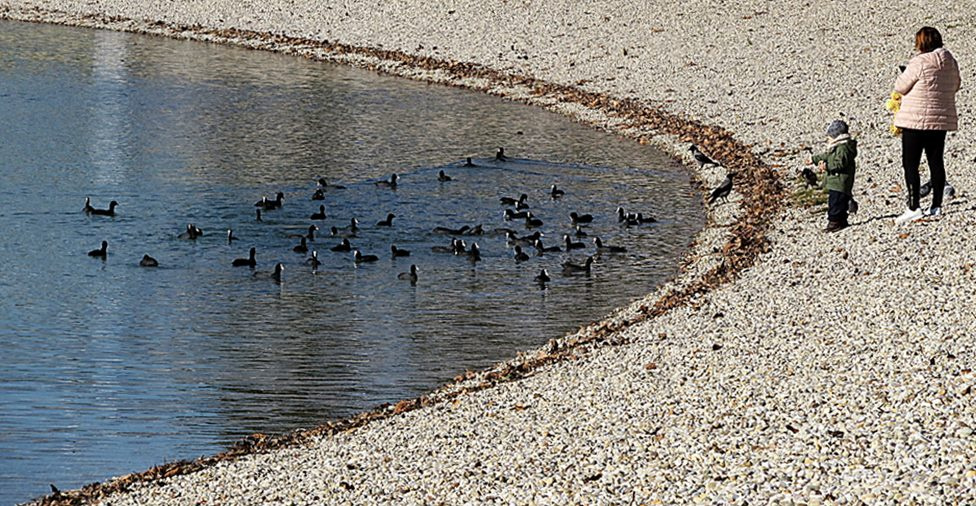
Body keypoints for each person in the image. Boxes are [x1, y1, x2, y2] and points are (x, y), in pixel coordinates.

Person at [893, 26, 961, 224]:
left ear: (921, 42)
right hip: (940, 121)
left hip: (915, 121)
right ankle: (936, 206)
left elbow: (900, 87)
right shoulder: (950, 61)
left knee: (911, 164)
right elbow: (956, 85)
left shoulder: (919, 62)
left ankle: (913, 207)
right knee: (936, 161)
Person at [807, 120, 857, 232]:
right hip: (837, 180)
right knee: (840, 201)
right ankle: (842, 220)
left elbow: (839, 163)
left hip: (840, 181)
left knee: (835, 202)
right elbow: (827, 156)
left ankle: (834, 222)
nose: (828, 139)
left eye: (829, 137)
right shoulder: (837, 146)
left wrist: (827, 167)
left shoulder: (843, 148)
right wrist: (814, 159)